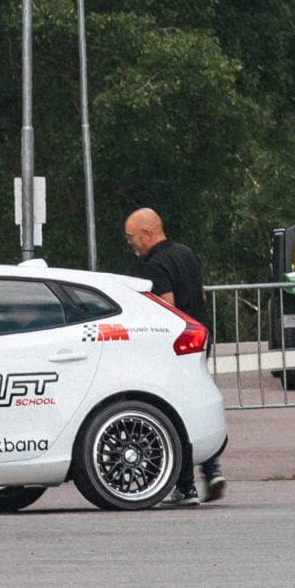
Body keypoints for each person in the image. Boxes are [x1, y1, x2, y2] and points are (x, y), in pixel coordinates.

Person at [124, 207, 224, 506]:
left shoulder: (155, 265)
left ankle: (185, 487)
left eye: (132, 238)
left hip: (176, 345)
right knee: (197, 405)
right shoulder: (186, 253)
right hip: (200, 337)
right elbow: (201, 295)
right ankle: (212, 468)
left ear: (147, 233)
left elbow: (167, 308)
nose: (131, 244)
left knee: (173, 414)